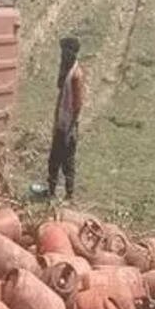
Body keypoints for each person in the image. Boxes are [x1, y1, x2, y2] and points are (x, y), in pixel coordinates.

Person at [48, 36, 85, 199]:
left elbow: (78, 105)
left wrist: (70, 130)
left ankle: (69, 194)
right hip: (61, 123)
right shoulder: (67, 70)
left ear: (72, 53)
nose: (62, 55)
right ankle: (51, 192)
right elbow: (59, 85)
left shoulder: (76, 75)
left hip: (68, 125)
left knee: (67, 161)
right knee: (54, 159)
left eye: (65, 52)